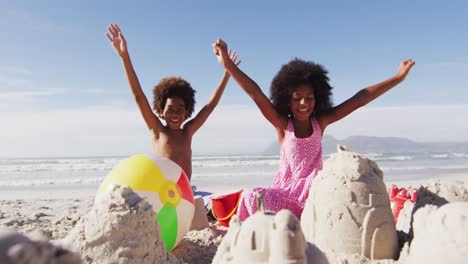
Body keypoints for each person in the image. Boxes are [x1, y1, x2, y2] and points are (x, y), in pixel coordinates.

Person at [212, 39, 415, 220]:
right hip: (285, 196)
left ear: (317, 98)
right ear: (287, 100)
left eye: (309, 98)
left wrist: (398, 78)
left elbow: (360, 98)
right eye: (297, 98)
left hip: (314, 195)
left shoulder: (321, 122)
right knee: (251, 196)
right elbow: (256, 94)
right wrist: (228, 66)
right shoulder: (283, 125)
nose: (303, 103)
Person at [105, 24, 240, 181]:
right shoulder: (157, 131)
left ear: (187, 111)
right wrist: (124, 56)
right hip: (162, 196)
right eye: (170, 109)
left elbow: (211, 105)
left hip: (185, 196)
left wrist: (228, 71)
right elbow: (138, 95)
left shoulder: (188, 131)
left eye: (180, 108)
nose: (175, 114)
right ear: (161, 111)